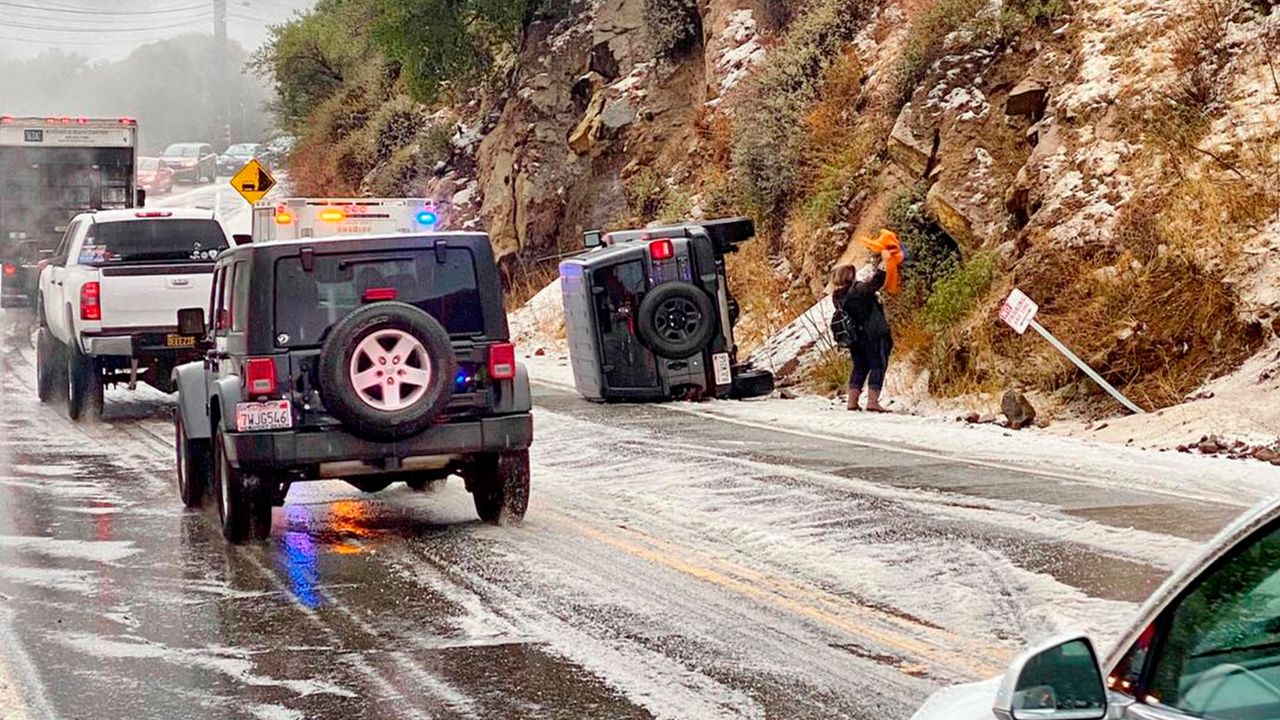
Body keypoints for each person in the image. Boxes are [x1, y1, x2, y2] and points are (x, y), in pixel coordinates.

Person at [831, 249, 895, 412]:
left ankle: (852, 402)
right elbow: (876, 283)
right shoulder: (857, 290)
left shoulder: (837, 296)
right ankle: (872, 401)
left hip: (854, 338)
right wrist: (884, 263)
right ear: (849, 276)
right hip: (872, 334)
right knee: (877, 365)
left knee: (859, 367)